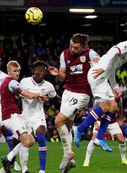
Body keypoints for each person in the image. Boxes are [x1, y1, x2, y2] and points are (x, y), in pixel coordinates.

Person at [74, 29, 127, 152]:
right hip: (97, 74)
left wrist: (115, 87)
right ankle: (80, 129)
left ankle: (100, 137)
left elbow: (112, 68)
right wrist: (102, 68)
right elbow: (112, 52)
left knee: (113, 107)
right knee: (104, 107)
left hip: (102, 75)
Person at [48, 33, 100, 170]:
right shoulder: (64, 54)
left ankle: (67, 154)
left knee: (58, 121)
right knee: (67, 127)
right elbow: (62, 78)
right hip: (68, 92)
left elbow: (101, 68)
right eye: (71, 46)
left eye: (75, 48)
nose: (72, 49)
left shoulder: (90, 54)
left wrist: (96, 63)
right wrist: (56, 74)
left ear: (83, 47)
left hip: (82, 94)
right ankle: (69, 163)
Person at [0, 60, 46, 173]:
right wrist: (38, 94)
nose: (17, 73)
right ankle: (25, 170)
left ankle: (8, 158)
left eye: (18, 71)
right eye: (14, 71)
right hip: (11, 116)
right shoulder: (12, 82)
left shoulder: (9, 82)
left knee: (31, 140)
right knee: (25, 140)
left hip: (16, 115)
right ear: (9, 72)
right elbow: (29, 96)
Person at [20, 61, 61, 173]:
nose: (42, 72)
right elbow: (17, 95)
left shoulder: (48, 86)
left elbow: (56, 98)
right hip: (25, 116)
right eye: (40, 70)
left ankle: (42, 170)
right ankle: (23, 168)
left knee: (41, 138)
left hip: (39, 115)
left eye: (44, 70)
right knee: (24, 143)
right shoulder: (24, 82)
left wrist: (69, 105)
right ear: (34, 71)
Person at [83, 97, 127, 167]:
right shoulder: (99, 98)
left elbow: (120, 108)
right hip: (100, 120)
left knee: (121, 140)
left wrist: (121, 119)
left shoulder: (118, 98)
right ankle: (86, 161)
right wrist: (96, 123)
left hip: (112, 121)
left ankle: (124, 160)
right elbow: (93, 111)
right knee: (94, 138)